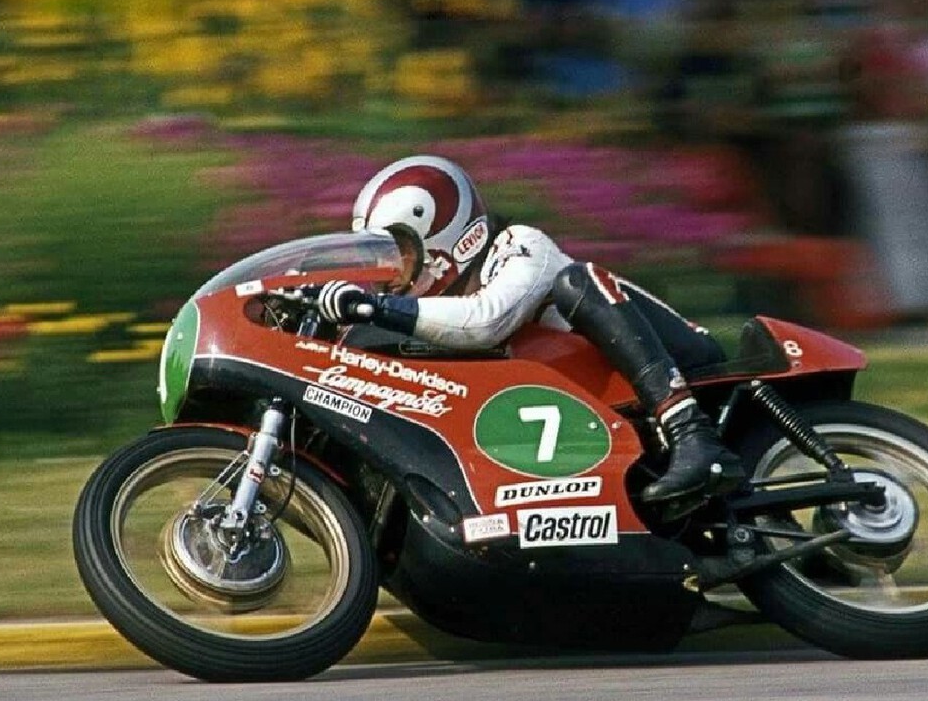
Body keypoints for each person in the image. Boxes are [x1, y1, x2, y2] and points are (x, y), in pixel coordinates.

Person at [296, 155, 744, 519]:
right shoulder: (444, 308)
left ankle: (692, 433)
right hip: (604, 414)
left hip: (685, 361)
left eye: (401, 252)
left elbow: (484, 321)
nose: (391, 273)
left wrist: (375, 307)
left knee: (576, 281)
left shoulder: (521, 246)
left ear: (448, 237)